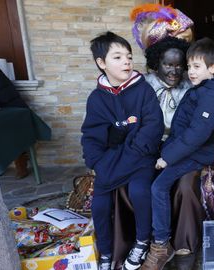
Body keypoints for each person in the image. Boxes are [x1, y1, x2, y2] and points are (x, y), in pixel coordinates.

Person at [142, 37, 214, 270]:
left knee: (158, 187)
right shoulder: (206, 89)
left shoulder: (211, 95)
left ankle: (161, 245)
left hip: (195, 153)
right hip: (187, 149)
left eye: (197, 67)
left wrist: (167, 157)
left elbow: (197, 133)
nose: (190, 72)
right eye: (190, 66)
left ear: (212, 68)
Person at [81, 31, 164, 270]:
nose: (126, 61)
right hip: (111, 160)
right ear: (101, 63)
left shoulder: (143, 90)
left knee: (140, 191)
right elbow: (92, 137)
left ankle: (142, 241)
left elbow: (152, 127)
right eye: (117, 57)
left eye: (128, 56)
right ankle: (106, 253)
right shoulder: (96, 98)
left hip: (141, 157)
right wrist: (97, 163)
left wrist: (125, 154)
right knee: (100, 203)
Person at [131, 3, 204, 262]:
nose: (174, 71)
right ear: (156, 63)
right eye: (167, 65)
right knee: (138, 183)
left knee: (185, 185)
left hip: (183, 150)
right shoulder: (143, 86)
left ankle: (184, 243)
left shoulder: (193, 86)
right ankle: (146, 241)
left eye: (179, 65)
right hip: (151, 149)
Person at [0, 68, 30, 179]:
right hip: (8, 109)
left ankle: (21, 162)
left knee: (10, 133)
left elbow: (5, 95)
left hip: (12, 110)